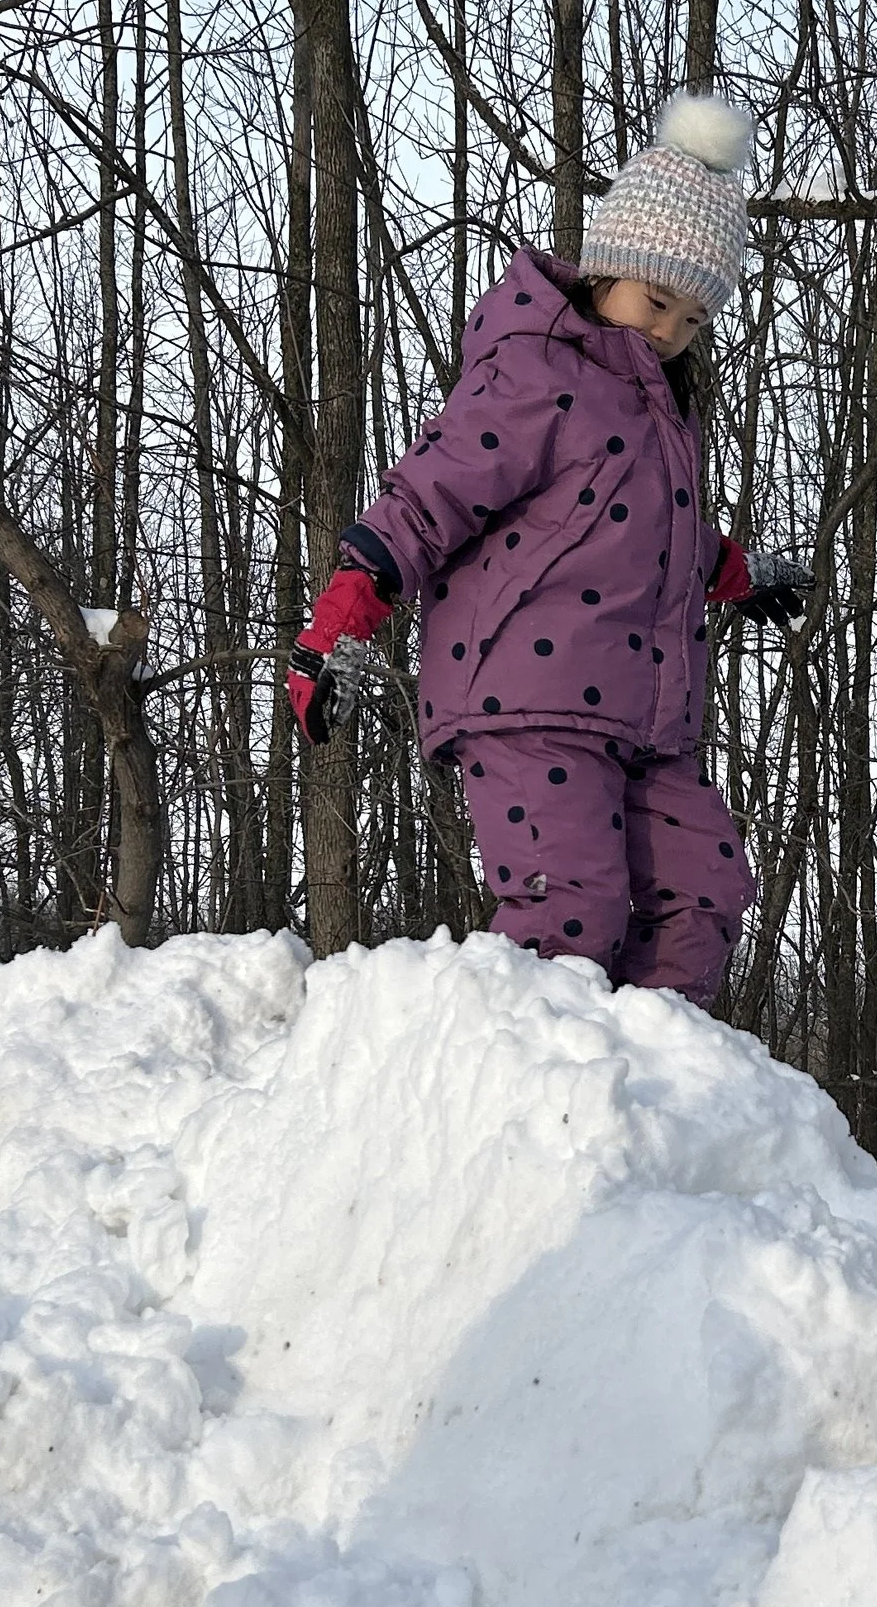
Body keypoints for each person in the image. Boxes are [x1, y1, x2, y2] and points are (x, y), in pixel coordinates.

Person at [285, 93, 810, 1005]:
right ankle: (517, 1105)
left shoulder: (663, 412)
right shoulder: (539, 370)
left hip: (645, 719)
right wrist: (346, 605)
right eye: (655, 300)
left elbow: (646, 528)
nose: (668, 331)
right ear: (610, 268)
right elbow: (436, 488)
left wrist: (733, 574)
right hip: (526, 698)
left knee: (709, 892)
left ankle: (637, 1099)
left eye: (692, 318)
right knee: (573, 911)